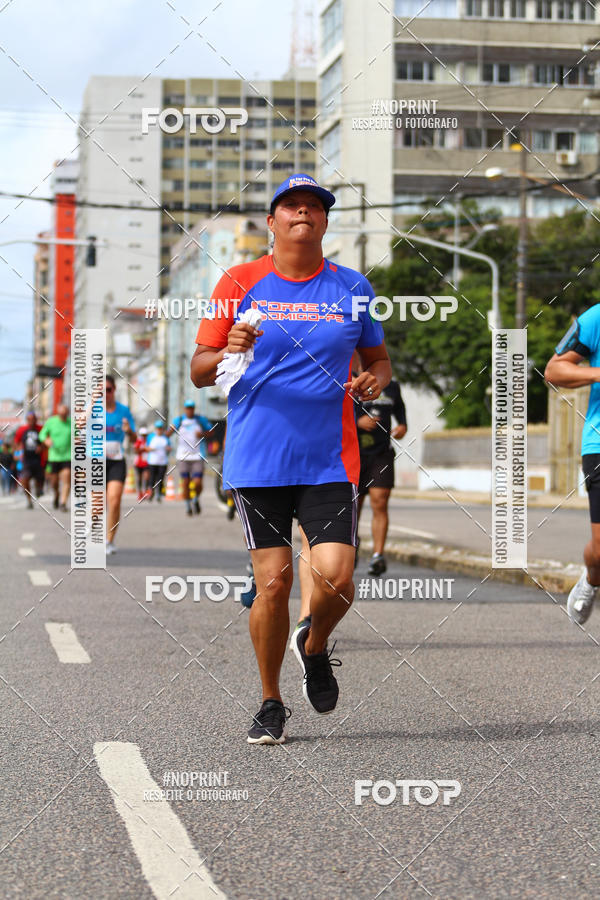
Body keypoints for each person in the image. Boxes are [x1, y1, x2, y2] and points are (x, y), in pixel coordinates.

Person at [191, 173, 391, 744]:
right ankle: (270, 701)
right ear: (273, 221)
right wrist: (226, 350)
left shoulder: (352, 287)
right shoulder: (239, 281)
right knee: (274, 585)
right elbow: (199, 370)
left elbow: (379, 359)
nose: (303, 212)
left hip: (330, 458)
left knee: (339, 577)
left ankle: (315, 643)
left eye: (314, 206)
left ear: (325, 222)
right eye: (292, 206)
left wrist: (373, 380)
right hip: (258, 460)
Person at [356, 376, 407, 576]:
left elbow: (399, 408)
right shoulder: (347, 380)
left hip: (381, 454)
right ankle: (352, 545)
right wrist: (356, 421)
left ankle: (378, 555)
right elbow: (332, 412)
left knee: (380, 501)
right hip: (355, 453)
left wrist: (402, 425)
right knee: (354, 505)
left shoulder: (391, 385)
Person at [104, 374, 136, 555]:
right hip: (95, 461)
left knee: (114, 500)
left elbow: (135, 438)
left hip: (116, 460)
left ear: (114, 390)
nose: (105, 394)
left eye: (108, 390)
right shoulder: (91, 409)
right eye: (100, 391)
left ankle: (109, 541)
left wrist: (129, 431)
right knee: (97, 505)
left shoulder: (123, 411)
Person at [167, 400, 212, 517]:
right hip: (183, 456)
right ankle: (188, 506)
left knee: (197, 482)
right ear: (185, 409)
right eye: (187, 408)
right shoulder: (179, 420)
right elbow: (168, 434)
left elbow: (211, 432)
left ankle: (196, 498)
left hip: (198, 455)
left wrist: (202, 434)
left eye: (191, 408)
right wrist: (170, 431)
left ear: (194, 409)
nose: (190, 410)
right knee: (186, 483)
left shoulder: (200, 420)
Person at [39, 404, 71, 512]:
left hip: (67, 456)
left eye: (65, 414)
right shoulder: (51, 422)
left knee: (67, 477)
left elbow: (79, 435)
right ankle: (57, 494)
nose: (63, 416)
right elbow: (42, 434)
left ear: (68, 413)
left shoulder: (72, 423)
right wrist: (46, 440)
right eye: (61, 414)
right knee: (54, 482)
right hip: (54, 457)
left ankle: (63, 503)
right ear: (58, 413)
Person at [14, 411, 43, 509]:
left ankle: (39, 489)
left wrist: (42, 447)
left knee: (39, 479)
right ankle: (29, 500)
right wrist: (18, 452)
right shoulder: (22, 430)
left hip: (39, 459)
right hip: (26, 459)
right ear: (27, 420)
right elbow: (16, 442)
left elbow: (46, 440)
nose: (31, 421)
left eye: (33, 419)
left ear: (36, 419)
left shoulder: (40, 428)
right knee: (25, 480)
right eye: (29, 419)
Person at [146, 421, 171, 502]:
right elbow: (146, 447)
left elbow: (170, 448)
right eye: (158, 428)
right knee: (152, 478)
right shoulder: (151, 436)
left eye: (160, 428)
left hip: (162, 462)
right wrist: (150, 449)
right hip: (152, 462)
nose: (159, 430)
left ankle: (159, 494)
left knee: (160, 478)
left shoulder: (165, 437)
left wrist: (168, 449)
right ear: (156, 429)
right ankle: (151, 492)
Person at [134, 427, 150, 500]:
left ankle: (145, 492)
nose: (144, 436)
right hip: (138, 463)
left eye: (145, 435)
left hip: (147, 462)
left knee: (146, 477)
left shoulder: (148, 441)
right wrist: (143, 449)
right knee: (139, 478)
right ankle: (140, 492)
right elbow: (135, 451)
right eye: (143, 435)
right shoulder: (138, 441)